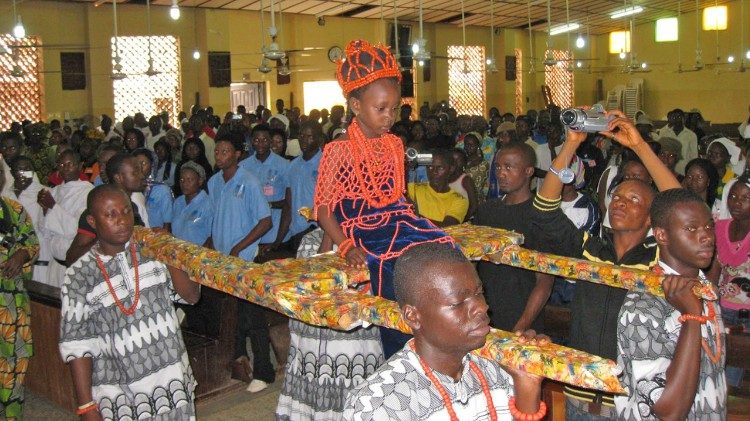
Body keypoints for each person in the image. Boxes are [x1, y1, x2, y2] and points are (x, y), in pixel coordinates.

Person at [531, 110, 681, 419]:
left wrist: (638, 145)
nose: (621, 202)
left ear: (653, 218)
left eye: (634, 200)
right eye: (617, 197)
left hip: (630, 400)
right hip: (580, 392)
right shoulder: (591, 249)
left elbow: (682, 208)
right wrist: (571, 144)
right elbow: (544, 208)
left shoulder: (658, 258)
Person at [313, 39, 455, 358]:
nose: (389, 117)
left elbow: (398, 197)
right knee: (392, 268)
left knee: (443, 246)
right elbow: (324, 211)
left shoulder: (394, 145)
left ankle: (439, 334)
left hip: (396, 217)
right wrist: (345, 245)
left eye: (394, 109)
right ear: (356, 106)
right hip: (360, 227)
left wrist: (418, 224)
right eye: (381, 109)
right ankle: (399, 351)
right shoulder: (338, 151)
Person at [343, 243, 548, 421]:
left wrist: (526, 384)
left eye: (479, 293)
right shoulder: (378, 405)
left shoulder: (499, 368)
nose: (482, 307)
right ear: (413, 316)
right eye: (458, 302)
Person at [59, 184, 200, 421]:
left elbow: (192, 296)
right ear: (92, 222)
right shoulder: (79, 275)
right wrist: (86, 405)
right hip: (119, 396)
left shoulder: (152, 251)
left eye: (126, 212)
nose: (122, 220)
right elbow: (76, 344)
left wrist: (169, 250)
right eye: (111, 215)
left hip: (172, 386)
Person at [615, 188, 726, 419]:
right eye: (691, 228)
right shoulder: (642, 307)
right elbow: (669, 411)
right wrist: (692, 318)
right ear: (662, 236)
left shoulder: (706, 290)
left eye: (708, 226)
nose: (706, 236)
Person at [207, 134, 273, 393]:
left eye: (225, 151)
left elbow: (265, 221)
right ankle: (238, 362)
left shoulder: (248, 181)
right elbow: (216, 218)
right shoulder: (214, 183)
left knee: (252, 316)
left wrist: (239, 246)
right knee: (230, 316)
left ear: (236, 154)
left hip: (244, 260)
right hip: (222, 261)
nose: (220, 155)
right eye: (217, 151)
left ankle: (264, 372)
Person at [474, 143, 554, 333]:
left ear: (528, 171)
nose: (501, 173)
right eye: (498, 167)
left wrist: (522, 325)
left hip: (522, 316)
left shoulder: (541, 215)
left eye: (509, 167)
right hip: (485, 313)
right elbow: (473, 264)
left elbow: (545, 281)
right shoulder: (487, 210)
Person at [0, 160, 39, 419]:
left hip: (11, 302)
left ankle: (12, 413)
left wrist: (21, 255)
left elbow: (32, 242)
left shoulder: (14, 209)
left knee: (14, 361)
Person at [65, 153, 148, 265]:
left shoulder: (132, 207)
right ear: (119, 178)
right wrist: (104, 239)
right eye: (135, 172)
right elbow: (72, 257)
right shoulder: (98, 209)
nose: (142, 176)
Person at [713, 174, 750, 389]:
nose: (736, 202)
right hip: (724, 307)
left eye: (745, 198)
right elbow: (713, 269)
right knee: (718, 366)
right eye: (733, 196)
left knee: (734, 377)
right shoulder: (721, 227)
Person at [37, 150, 93, 288]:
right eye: (61, 164)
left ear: (80, 166)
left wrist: (53, 207)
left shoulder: (88, 192)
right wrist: (45, 210)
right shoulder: (54, 191)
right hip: (54, 262)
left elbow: (75, 230)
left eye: (70, 164)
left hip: (74, 264)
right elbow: (44, 230)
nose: (65, 168)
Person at [240, 124, 292, 255]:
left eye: (264, 140)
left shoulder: (284, 165)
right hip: (249, 234)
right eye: (256, 140)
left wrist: (269, 204)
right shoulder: (243, 166)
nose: (260, 143)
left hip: (274, 234)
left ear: (270, 141)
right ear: (251, 141)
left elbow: (289, 202)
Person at [286, 120, 323, 250]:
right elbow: (289, 202)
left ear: (318, 139)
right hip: (296, 230)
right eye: (301, 136)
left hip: (317, 230)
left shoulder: (324, 164)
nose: (304, 140)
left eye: (309, 137)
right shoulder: (293, 165)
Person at [408, 149, 469, 227]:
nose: (434, 172)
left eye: (440, 168)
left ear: (451, 169)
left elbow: (447, 226)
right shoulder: (414, 189)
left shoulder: (459, 200)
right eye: (430, 167)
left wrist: (414, 216)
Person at [132, 148, 174, 231]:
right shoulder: (130, 188)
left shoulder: (162, 190)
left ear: (152, 166)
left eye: (143, 163)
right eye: (136, 164)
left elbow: (167, 223)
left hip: (156, 238)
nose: (140, 167)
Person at [657, 109, 698, 175]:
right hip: (667, 168)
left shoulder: (691, 135)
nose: (676, 119)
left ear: (683, 118)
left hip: (684, 170)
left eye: (679, 117)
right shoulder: (664, 132)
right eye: (674, 117)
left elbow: (694, 155)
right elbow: (660, 151)